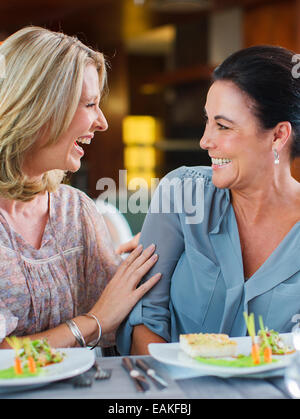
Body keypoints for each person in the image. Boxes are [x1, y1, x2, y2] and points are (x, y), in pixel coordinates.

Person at [117, 44, 300, 355]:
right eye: (207, 121)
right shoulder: (180, 194)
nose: (205, 141)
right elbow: (146, 323)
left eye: (223, 126)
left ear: (278, 136)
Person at [0, 26, 161, 350]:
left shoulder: (74, 209)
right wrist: (93, 322)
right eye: (89, 104)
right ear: (38, 107)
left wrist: (161, 253)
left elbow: (124, 315)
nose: (102, 121)